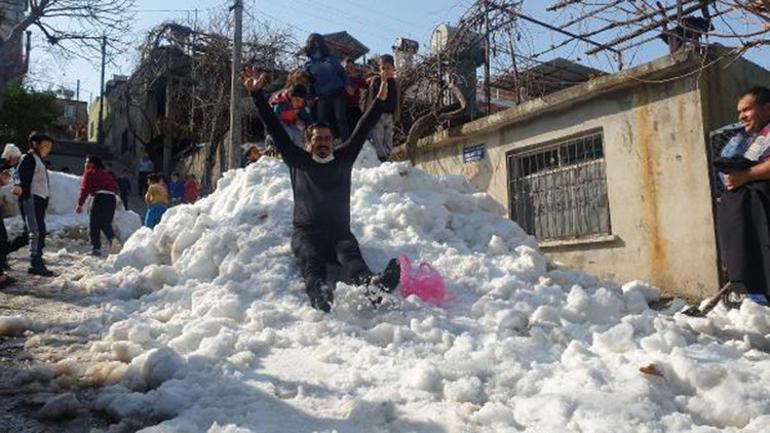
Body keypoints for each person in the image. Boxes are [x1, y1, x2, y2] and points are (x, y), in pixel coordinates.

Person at [243, 66, 400, 313]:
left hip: (340, 233)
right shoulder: (298, 160)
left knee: (352, 259)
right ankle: (319, 292)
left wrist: (379, 103)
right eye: (318, 139)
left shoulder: (343, 158)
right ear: (308, 143)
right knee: (311, 261)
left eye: (327, 139)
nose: (324, 143)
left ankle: (373, 286)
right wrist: (257, 95)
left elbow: (361, 129)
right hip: (307, 233)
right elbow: (274, 127)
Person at [716, 86, 770, 305]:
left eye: (746, 110)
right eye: (739, 112)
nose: (741, 116)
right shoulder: (754, 139)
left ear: (767, 108)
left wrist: (746, 175)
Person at [12, 132, 55, 277]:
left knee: (28, 234)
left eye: (50, 147)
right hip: (31, 198)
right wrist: (18, 185)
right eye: (45, 145)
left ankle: (3, 252)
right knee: (37, 231)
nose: (47, 149)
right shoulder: (28, 158)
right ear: (35, 144)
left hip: (39, 200)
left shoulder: (39, 160)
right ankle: (36, 263)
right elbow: (18, 174)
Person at [303, 33, 351, 141]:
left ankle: (346, 141)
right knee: (321, 120)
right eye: (313, 45)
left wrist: (347, 85)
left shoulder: (331, 59)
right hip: (322, 95)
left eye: (318, 44)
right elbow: (309, 83)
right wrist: (309, 98)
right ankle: (322, 141)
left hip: (337, 92)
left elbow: (342, 72)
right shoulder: (307, 65)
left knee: (340, 118)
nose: (316, 47)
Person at [75, 155, 119, 256]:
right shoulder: (106, 174)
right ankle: (112, 239)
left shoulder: (90, 172)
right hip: (112, 199)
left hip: (100, 198)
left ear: (92, 164)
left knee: (94, 224)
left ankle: (96, 248)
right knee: (105, 223)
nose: (85, 164)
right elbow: (115, 188)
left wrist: (80, 204)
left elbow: (84, 189)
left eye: (87, 162)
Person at [366, 54, 401, 163]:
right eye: (383, 68)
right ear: (379, 69)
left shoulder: (395, 82)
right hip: (378, 115)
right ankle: (381, 159)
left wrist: (396, 114)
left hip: (389, 114)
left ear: (393, 69)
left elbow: (397, 99)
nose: (385, 71)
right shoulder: (376, 80)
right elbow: (371, 98)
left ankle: (388, 159)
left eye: (388, 68)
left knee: (388, 138)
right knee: (378, 137)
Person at [0, 143, 22, 284]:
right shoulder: (3, 166)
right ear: (10, 157)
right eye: (16, 158)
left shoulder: (6, 166)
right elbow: (6, 179)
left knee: (2, 237)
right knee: (1, 237)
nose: (16, 161)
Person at [343, 57, 367, 129]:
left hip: (355, 108)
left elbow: (365, 87)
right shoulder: (340, 79)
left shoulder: (359, 79)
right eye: (347, 67)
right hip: (343, 108)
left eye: (351, 67)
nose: (349, 69)